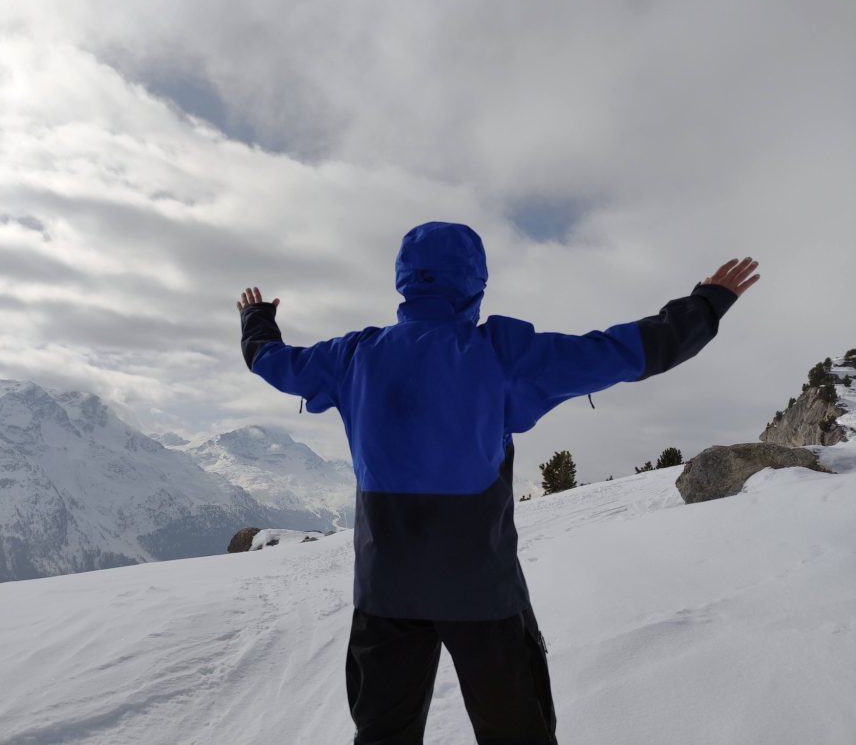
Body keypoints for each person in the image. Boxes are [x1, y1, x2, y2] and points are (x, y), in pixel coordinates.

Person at [236, 221, 759, 745]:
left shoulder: (352, 356)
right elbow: (621, 352)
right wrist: (705, 305)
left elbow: (273, 362)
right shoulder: (502, 353)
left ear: (405, 281)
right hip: (481, 592)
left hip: (384, 591)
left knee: (382, 736)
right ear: (475, 284)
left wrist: (257, 321)